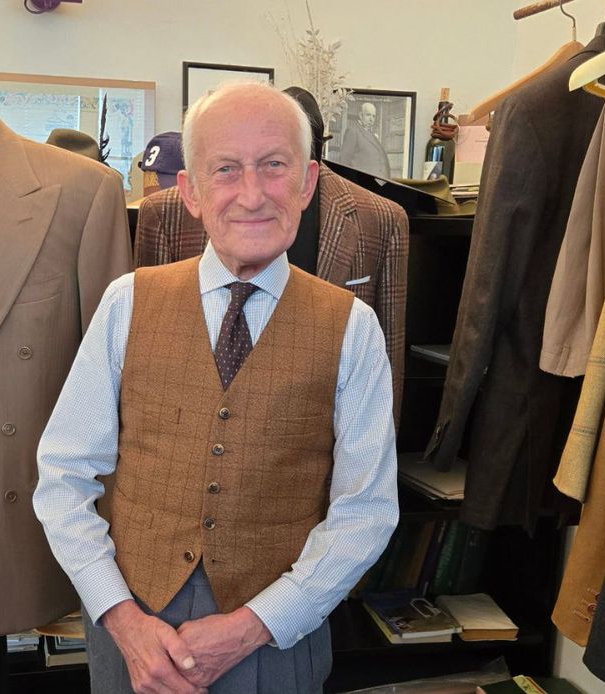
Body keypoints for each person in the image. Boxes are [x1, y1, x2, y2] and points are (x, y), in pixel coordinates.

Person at [33, 82, 399, 694]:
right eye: (225, 169)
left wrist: (255, 627)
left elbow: (366, 511)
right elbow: (63, 478)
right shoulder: (127, 304)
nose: (252, 194)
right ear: (192, 192)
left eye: (274, 166)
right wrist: (122, 620)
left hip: (275, 644)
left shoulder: (352, 328)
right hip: (133, 643)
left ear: (307, 182)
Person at [338, 102, 392, 178]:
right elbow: (344, 161)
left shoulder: (373, 135)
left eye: (373, 116)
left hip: (379, 181)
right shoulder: (353, 131)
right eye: (368, 115)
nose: (371, 119)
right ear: (361, 115)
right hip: (361, 181)